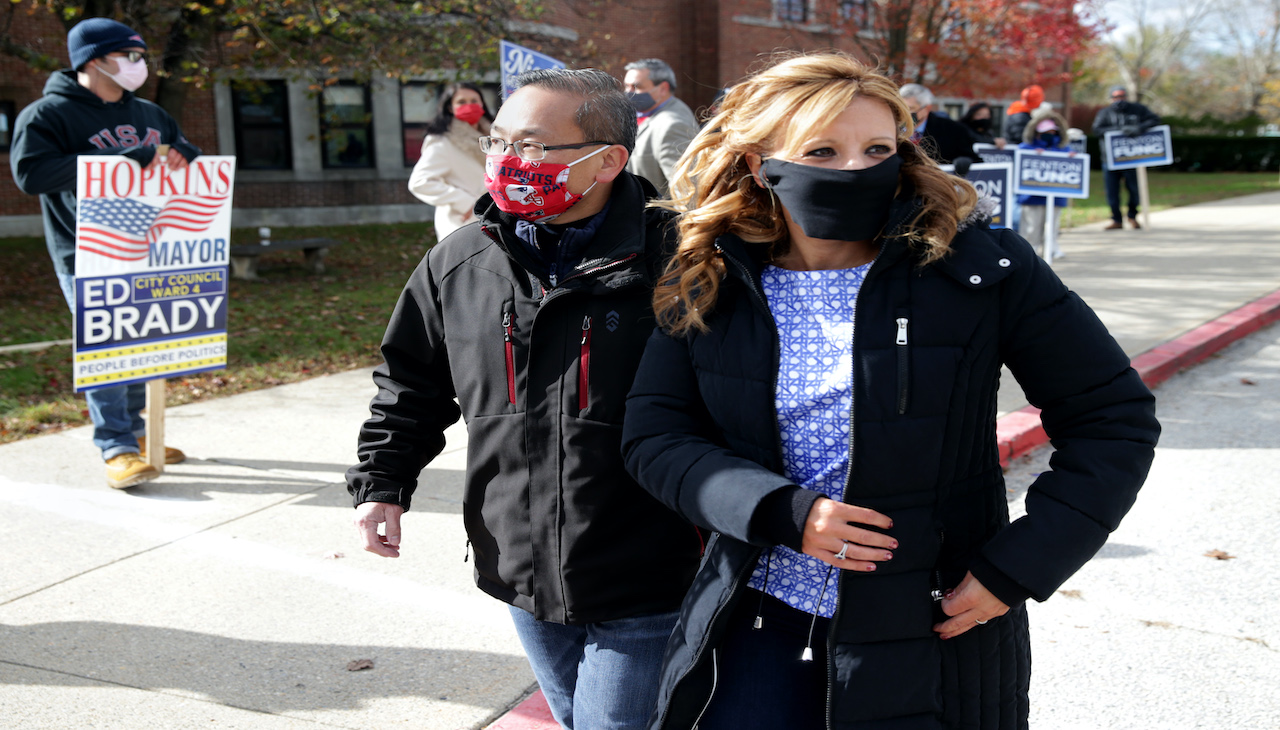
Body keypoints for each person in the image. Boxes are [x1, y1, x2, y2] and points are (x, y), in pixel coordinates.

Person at [620, 52, 1160, 729]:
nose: (856, 169)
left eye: (878, 148)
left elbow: (1114, 419)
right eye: (823, 148)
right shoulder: (713, 275)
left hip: (931, 625)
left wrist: (1017, 569)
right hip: (756, 616)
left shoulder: (977, 265)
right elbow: (655, 436)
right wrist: (779, 511)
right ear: (761, 164)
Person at [347, 68, 702, 730]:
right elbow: (411, 383)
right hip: (519, 566)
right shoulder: (459, 261)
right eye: (499, 141)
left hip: (651, 574)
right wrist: (382, 483)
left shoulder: (683, 261)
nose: (509, 161)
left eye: (534, 146)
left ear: (608, 161)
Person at [9, 17, 198, 489]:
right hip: (86, 252)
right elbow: (31, 175)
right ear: (95, 61)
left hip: (151, 249)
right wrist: (118, 161)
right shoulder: (47, 114)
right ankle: (115, 445)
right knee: (107, 344)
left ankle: (138, 433)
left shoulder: (150, 114)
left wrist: (185, 155)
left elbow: (183, 150)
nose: (139, 64)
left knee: (143, 340)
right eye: (130, 55)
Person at [408, 82, 495, 240]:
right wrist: (465, 202)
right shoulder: (442, 142)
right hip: (462, 223)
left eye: (474, 101)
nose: (469, 106)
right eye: (461, 102)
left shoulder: (495, 139)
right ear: (450, 107)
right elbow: (419, 182)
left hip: (495, 221)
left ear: (482, 103)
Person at [622, 58, 698, 195]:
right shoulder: (640, 114)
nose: (629, 92)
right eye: (627, 86)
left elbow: (686, 191)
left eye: (637, 87)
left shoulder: (673, 125)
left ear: (663, 88)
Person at [1092, 85, 1161, 230]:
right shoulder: (1104, 113)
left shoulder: (1138, 109)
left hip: (1131, 159)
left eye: (1122, 96)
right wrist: (1119, 131)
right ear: (1111, 99)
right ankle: (1116, 219)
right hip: (1109, 159)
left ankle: (1132, 216)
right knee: (1112, 191)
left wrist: (1139, 128)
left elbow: (1154, 119)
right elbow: (1097, 130)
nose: (1119, 100)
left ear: (1126, 97)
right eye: (1116, 97)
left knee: (1134, 189)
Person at [1016, 110, 1073, 259]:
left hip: (1055, 196)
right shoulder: (1026, 148)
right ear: (1036, 132)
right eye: (1045, 132)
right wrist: (1034, 154)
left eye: (1052, 131)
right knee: (1031, 226)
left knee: (1052, 225)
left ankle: (1051, 248)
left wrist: (1071, 158)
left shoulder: (1063, 149)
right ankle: (1028, 252)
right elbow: (1020, 157)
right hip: (1031, 196)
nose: (1049, 134)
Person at [899, 83, 977, 174]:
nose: (905, 113)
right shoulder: (893, 128)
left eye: (910, 108)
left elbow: (974, 159)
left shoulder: (953, 130)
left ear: (927, 108)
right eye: (901, 108)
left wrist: (964, 160)